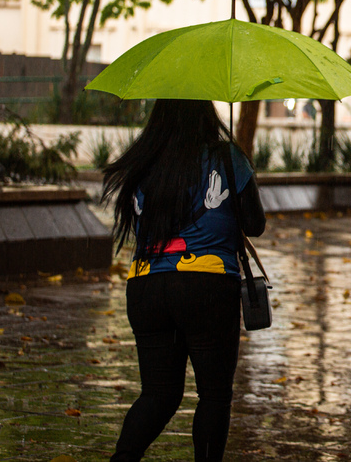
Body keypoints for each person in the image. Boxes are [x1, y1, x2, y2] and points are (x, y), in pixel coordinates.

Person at [102, 99, 266, 462]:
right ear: (205, 112)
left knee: (158, 394)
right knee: (214, 395)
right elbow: (256, 224)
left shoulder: (143, 162)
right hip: (207, 287)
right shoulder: (227, 157)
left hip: (146, 287)